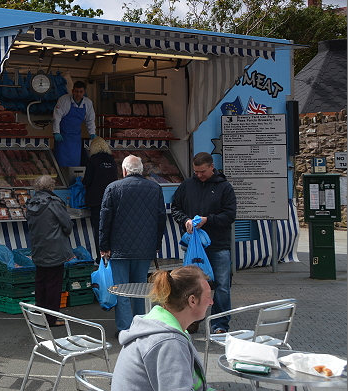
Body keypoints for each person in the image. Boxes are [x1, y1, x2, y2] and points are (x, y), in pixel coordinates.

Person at [111, 265, 235, 391]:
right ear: (192, 300)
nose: (211, 302)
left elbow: (182, 382)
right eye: (208, 296)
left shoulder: (158, 325)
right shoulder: (168, 342)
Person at [99, 155, 166, 335]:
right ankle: (140, 326)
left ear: (124, 170)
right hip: (145, 248)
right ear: (141, 170)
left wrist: (104, 245)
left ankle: (124, 329)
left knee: (121, 290)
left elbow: (105, 219)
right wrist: (156, 244)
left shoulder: (113, 188)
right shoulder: (154, 188)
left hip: (119, 247)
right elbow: (161, 218)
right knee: (141, 288)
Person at [171, 152, 236, 335]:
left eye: (202, 171)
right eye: (196, 171)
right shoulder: (187, 185)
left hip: (218, 245)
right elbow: (175, 207)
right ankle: (191, 321)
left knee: (222, 286)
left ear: (211, 167)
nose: (199, 175)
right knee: (190, 285)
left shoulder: (225, 188)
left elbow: (230, 215)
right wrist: (185, 221)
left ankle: (220, 324)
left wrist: (209, 220)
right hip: (193, 246)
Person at [25, 174, 73, 327]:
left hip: (38, 246)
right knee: (53, 283)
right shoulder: (54, 202)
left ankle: (40, 314)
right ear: (51, 187)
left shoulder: (30, 203)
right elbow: (67, 224)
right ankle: (51, 318)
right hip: (55, 248)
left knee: (41, 281)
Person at [82, 136, 117, 259]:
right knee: (111, 228)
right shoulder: (112, 160)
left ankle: (100, 256)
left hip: (97, 201)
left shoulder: (92, 161)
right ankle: (112, 255)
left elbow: (86, 181)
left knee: (99, 229)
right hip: (112, 200)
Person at [52, 80, 96, 175]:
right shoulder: (64, 100)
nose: (78, 94)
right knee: (61, 163)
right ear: (72, 91)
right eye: (76, 91)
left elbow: (90, 120)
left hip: (76, 138)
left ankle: (73, 182)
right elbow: (57, 117)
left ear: (84, 92)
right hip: (62, 137)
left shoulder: (88, 103)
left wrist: (92, 133)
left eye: (81, 92)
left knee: (75, 163)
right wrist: (56, 132)